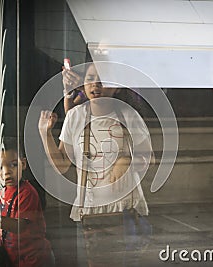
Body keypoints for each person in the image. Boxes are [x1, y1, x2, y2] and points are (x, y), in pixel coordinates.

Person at [39, 62, 153, 266]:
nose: (96, 85)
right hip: (90, 210)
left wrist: (126, 160)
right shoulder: (76, 116)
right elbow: (63, 165)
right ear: (83, 85)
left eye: (104, 81)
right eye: (90, 79)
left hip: (125, 208)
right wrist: (45, 133)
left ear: (116, 86)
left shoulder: (128, 115)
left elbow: (148, 157)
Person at [0, 137, 54, 267]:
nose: (6, 172)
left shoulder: (27, 193)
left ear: (23, 164)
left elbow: (19, 226)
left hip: (36, 260)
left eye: (13, 165)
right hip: (17, 259)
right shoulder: (1, 193)